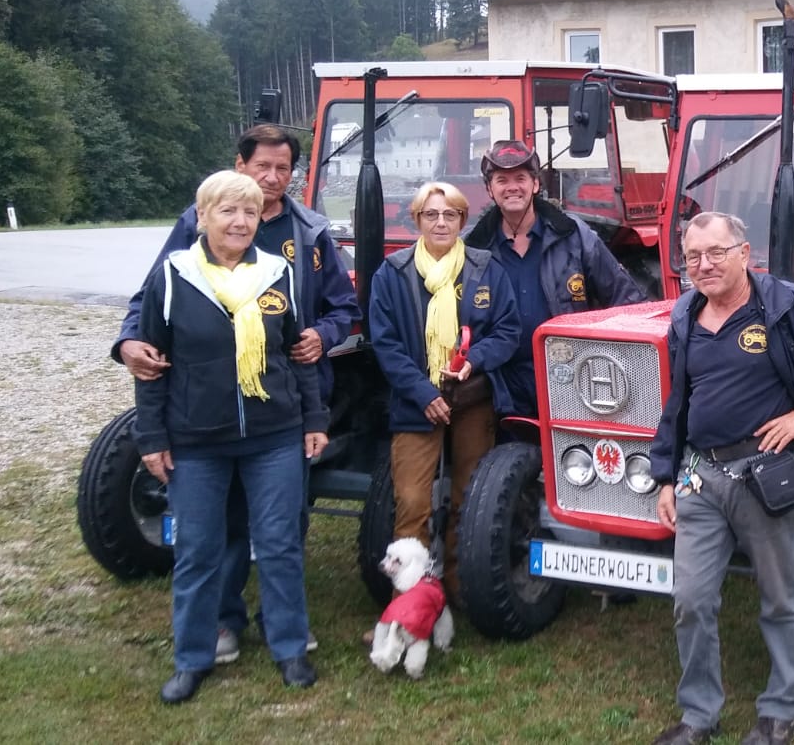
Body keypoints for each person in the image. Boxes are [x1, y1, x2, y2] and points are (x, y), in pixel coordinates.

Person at [113, 124, 360, 666]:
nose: (272, 178)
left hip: (285, 401)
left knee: (283, 528)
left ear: (294, 173)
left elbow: (342, 308)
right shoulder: (197, 225)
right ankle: (223, 622)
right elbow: (154, 298)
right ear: (240, 166)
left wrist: (326, 334)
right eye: (262, 167)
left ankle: (280, 626)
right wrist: (129, 340)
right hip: (205, 412)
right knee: (216, 529)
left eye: (283, 169)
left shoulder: (311, 235)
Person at [647, 212, 794, 745]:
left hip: (764, 478)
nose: (703, 265)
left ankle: (779, 711)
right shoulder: (686, 315)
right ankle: (698, 716)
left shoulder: (786, 307)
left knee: (781, 598)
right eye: (692, 256)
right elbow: (678, 404)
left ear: (744, 252)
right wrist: (666, 475)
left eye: (715, 253)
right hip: (701, 478)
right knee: (690, 599)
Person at [133, 171, 329, 704]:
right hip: (196, 441)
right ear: (202, 218)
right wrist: (151, 436)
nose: (240, 221)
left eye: (247, 212)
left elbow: (300, 354)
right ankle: (192, 659)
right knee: (197, 550)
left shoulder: (277, 273)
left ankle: (289, 648)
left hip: (274, 437)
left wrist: (314, 421)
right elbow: (150, 364)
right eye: (227, 211)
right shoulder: (173, 277)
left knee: (280, 545)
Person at [369, 181, 522, 602]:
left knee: (468, 498)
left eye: (450, 214)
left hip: (471, 399)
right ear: (417, 220)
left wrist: (477, 359)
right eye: (431, 215)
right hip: (415, 401)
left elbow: (508, 330)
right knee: (412, 502)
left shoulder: (485, 267)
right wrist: (423, 393)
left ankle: (456, 589)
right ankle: (410, 600)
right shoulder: (394, 273)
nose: (441, 222)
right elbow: (385, 344)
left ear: (462, 220)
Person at [463, 139, 647, 424]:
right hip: (500, 384)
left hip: (572, 378)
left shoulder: (575, 236)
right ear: (489, 189)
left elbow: (626, 301)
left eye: (521, 178)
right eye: (502, 180)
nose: (512, 187)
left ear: (535, 184)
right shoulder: (472, 250)